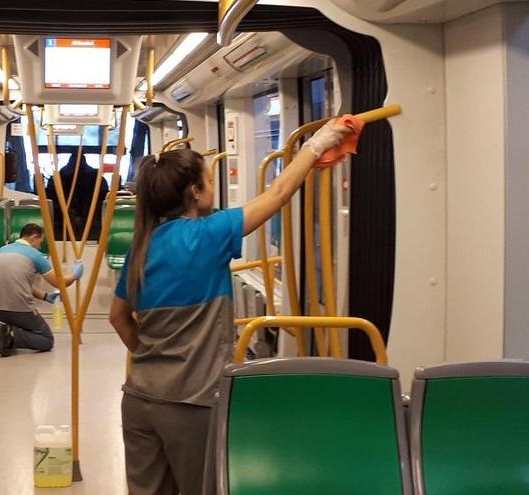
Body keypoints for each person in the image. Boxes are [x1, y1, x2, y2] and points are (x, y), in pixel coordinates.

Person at [108, 120, 352, 494]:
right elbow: (279, 193)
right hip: (191, 403)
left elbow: (118, 317)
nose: (211, 188)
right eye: (207, 181)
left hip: (140, 397)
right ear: (194, 192)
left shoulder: (141, 246)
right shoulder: (210, 234)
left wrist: (151, 356)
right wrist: (317, 144)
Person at [0, 223, 84, 357]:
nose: (40, 246)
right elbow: (59, 283)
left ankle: (8, 333)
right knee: (46, 340)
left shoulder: (3, 250)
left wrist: (45, 296)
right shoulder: (35, 255)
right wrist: (75, 275)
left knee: (22, 321)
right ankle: (10, 335)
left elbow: (20, 282)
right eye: (40, 242)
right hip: (18, 310)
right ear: (34, 237)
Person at [45, 150, 110, 240]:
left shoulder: (56, 178)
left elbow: (50, 199)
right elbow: (104, 198)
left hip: (61, 226)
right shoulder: (98, 178)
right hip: (92, 225)